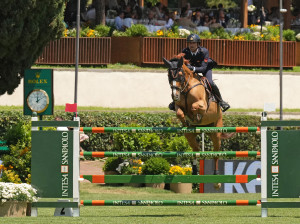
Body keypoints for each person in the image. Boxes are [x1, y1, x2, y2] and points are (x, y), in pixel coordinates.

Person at [169, 34, 230, 112]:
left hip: (205, 69)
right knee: (181, 81)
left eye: (194, 43)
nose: (191, 45)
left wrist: (193, 68)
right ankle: (175, 102)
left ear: (198, 44)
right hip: (191, 70)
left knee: (210, 82)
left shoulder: (204, 51)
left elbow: (203, 68)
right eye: (190, 43)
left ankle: (221, 101)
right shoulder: (185, 51)